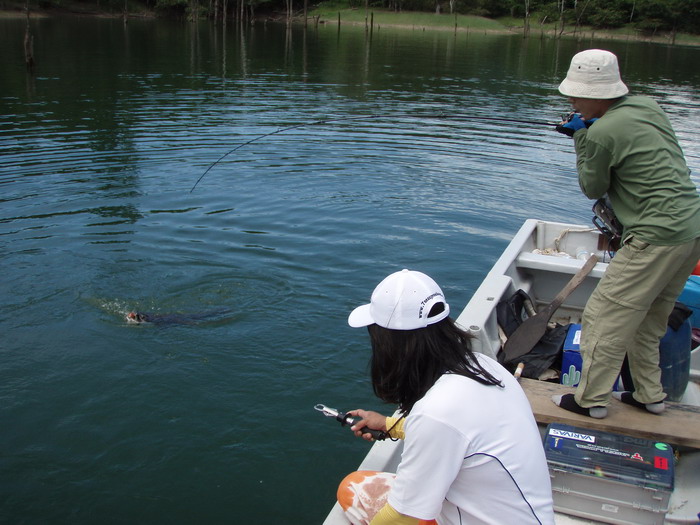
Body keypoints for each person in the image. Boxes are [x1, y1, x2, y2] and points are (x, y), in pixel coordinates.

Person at [336, 269, 554, 525]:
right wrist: (387, 425)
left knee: (352, 490)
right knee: (355, 486)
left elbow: (401, 516)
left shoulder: (437, 411)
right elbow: (462, 435)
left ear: (389, 342)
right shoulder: (484, 365)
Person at [552, 49, 700, 419]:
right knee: (650, 318)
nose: (571, 99)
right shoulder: (647, 106)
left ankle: (591, 401)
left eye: (576, 93)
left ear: (597, 94)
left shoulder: (601, 132)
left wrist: (581, 138)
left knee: (603, 317)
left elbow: (591, 185)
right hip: (690, 229)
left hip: (655, 235)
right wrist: (587, 128)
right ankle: (649, 394)